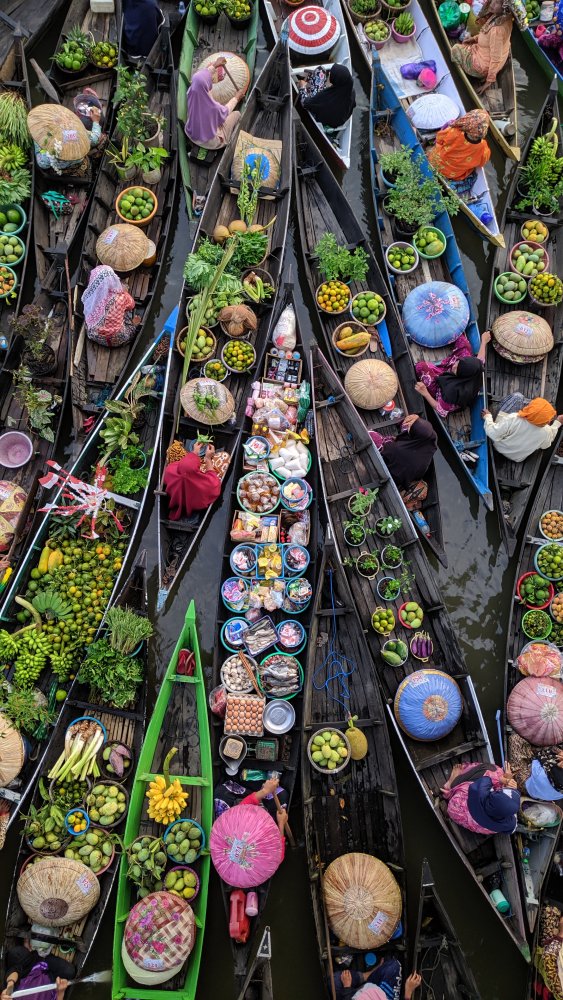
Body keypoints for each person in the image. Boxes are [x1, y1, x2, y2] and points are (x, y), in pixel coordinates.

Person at [451, 0, 525, 95]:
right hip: (491, 54)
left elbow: (495, 58)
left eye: (497, 3)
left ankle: (480, 74)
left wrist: (489, 81)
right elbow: (486, 35)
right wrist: (474, 39)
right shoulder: (506, 17)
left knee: (455, 48)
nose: (492, 3)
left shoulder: (497, 30)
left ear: (505, 8)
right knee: (467, 43)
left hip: (483, 65)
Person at [415, 330, 490, 419]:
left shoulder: (450, 394)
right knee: (463, 342)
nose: (454, 365)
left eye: (457, 367)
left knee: (420, 367)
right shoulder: (475, 370)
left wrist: (425, 392)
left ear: (462, 375)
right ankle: (454, 367)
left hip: (443, 387)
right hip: (453, 376)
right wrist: (484, 342)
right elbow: (480, 360)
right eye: (458, 362)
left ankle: (440, 373)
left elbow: (442, 412)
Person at [441, 761, 520, 835]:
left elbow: (487, 777)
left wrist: (504, 779)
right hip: (458, 816)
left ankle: (451, 783)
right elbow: (506, 808)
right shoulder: (510, 824)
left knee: (492, 769)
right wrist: (507, 785)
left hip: (455, 805)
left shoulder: (478, 792)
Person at [185, 58, 246, 151]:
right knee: (237, 114)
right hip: (208, 142)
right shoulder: (214, 108)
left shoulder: (191, 92)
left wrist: (215, 65)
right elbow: (226, 111)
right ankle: (224, 139)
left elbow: (200, 78)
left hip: (191, 133)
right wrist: (237, 97)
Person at [163, 438, 230, 521]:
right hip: (197, 502)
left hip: (180, 498)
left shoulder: (169, 470)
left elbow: (183, 467)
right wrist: (208, 459)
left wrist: (194, 453)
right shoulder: (209, 485)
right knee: (225, 456)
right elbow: (215, 485)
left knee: (173, 450)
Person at [482, 394, 563, 463]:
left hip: (498, 447)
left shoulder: (514, 418)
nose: (549, 421)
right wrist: (558, 422)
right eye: (549, 419)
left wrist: (488, 417)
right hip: (517, 458)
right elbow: (546, 445)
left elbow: (493, 434)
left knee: (517, 397)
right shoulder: (546, 432)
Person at [369, 415, 438, 491]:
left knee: (375, 438)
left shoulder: (397, 449)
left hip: (392, 474)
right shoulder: (430, 442)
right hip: (410, 475)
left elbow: (385, 448)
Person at [34, 104, 103, 174]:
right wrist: (96, 121)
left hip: (61, 166)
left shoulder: (51, 153)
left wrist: (37, 142)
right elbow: (94, 139)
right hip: (78, 160)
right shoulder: (77, 134)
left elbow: (43, 164)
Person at [427, 110, 491, 183]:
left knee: (434, 149)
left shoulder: (455, 131)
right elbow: (482, 162)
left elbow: (439, 138)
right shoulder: (483, 147)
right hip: (452, 174)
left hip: (435, 162)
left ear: (467, 122)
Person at [82, 265, 138, 348]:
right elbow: (132, 306)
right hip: (115, 340)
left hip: (93, 335)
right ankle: (133, 326)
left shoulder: (91, 296)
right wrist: (124, 292)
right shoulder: (121, 296)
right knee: (129, 322)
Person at [3, 936, 74, 1000]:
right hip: (51, 979)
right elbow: (59, 996)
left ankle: (32, 952)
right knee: (69, 971)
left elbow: (15, 970)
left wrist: (10, 984)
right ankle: (41, 955)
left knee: (16, 953)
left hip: (29, 970)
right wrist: (61, 991)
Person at [297, 63, 356, 130]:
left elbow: (305, 103)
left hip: (322, 121)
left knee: (320, 70)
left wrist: (302, 87)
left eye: (331, 73)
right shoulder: (351, 92)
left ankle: (309, 81)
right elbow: (353, 105)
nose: (329, 73)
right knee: (321, 71)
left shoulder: (324, 97)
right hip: (339, 121)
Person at [333, 965, 421, 1000]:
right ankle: (369, 974)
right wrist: (408, 991)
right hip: (380, 994)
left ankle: (366, 976)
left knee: (334, 980)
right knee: (394, 966)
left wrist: (347, 986)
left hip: (359, 993)